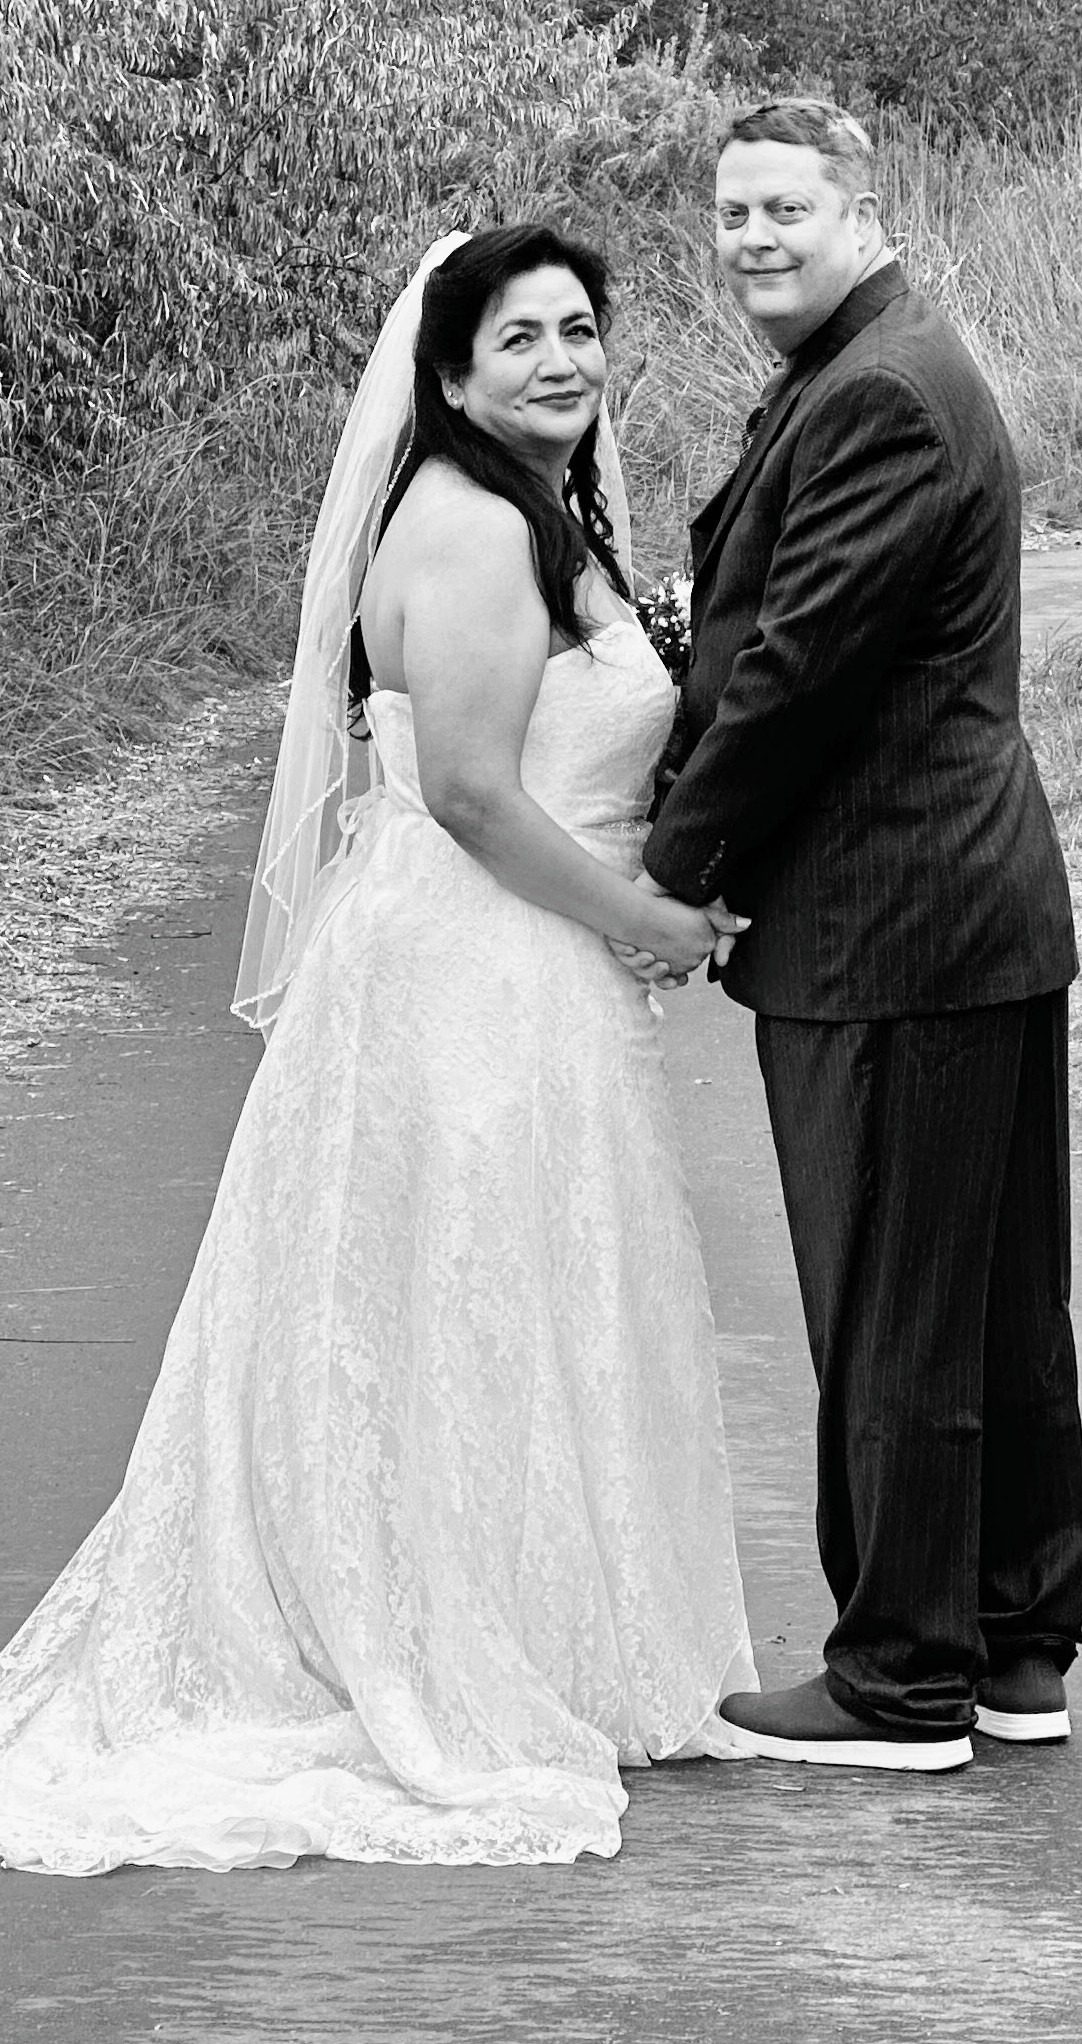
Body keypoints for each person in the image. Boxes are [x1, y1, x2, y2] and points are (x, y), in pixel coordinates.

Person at [0, 225, 756, 1874]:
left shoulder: (538, 509)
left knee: (497, 1290)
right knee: (463, 1288)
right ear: (452, 378)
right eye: (518, 340)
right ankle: (441, 1643)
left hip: (508, 958)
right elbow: (475, 794)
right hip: (477, 965)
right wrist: (649, 917)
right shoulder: (474, 526)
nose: (559, 361)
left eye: (578, 330)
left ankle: (534, 1629)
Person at [641, 100, 1082, 1772]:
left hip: (894, 918)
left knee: (896, 1303)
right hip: (955, 911)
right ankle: (1013, 1651)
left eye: (785, 209)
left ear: (864, 213)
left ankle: (902, 1678)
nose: (753, 238)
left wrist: (670, 875)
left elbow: (798, 674)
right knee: (986, 1300)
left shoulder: (883, 392)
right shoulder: (869, 364)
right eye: (732, 213)